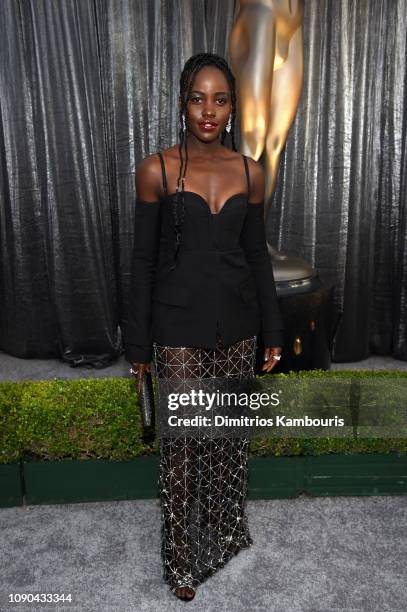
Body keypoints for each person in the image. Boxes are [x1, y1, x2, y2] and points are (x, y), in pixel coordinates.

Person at [124, 52, 284, 601]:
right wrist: (138, 345)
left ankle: (223, 530)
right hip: (176, 328)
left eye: (219, 100)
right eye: (198, 98)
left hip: (238, 326)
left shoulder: (249, 171)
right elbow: (142, 263)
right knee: (182, 446)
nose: (208, 111)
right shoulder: (157, 169)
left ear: (234, 109)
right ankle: (179, 559)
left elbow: (257, 258)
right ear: (182, 104)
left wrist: (273, 331)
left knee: (227, 439)